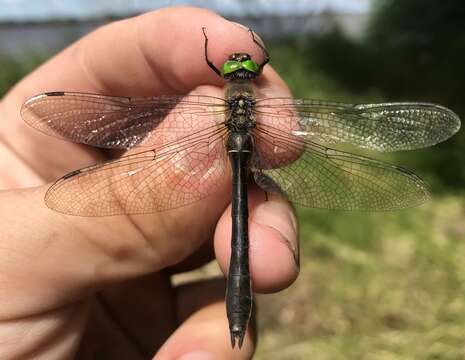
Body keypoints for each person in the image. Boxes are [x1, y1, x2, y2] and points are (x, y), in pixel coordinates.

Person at [0, 7, 299, 359]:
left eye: (243, 64)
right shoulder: (250, 101)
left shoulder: (214, 99)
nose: (238, 64)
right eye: (236, 64)